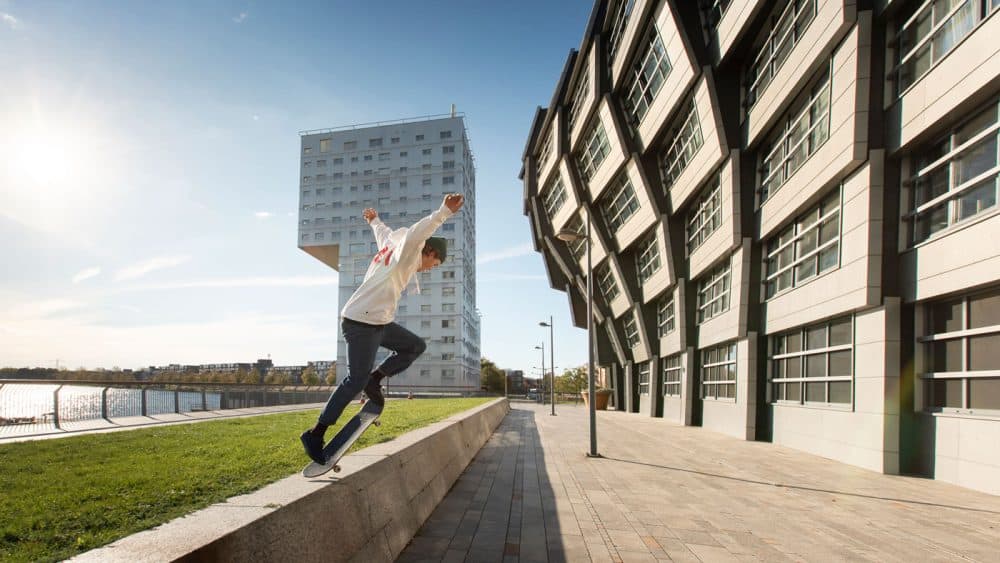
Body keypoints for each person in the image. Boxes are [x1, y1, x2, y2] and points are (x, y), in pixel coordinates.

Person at [300, 193, 464, 463]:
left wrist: (374, 220)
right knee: (354, 380)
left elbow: (384, 233)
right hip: (361, 322)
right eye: (433, 265)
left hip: (378, 322)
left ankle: (374, 379)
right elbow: (416, 234)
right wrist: (443, 212)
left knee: (414, 346)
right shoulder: (409, 251)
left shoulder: (392, 245)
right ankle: (315, 434)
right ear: (430, 252)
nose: (428, 270)